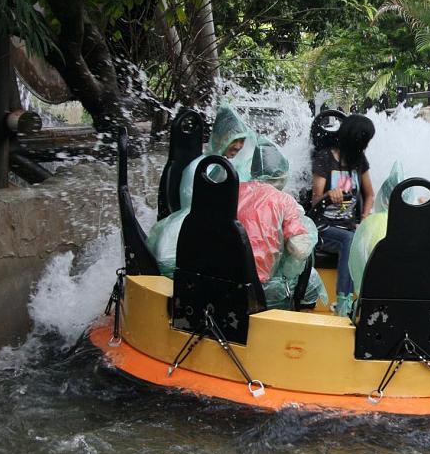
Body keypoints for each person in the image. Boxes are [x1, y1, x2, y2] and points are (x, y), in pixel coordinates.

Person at [147, 101, 257, 276]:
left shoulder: (231, 166)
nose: (238, 147)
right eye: (234, 141)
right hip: (195, 232)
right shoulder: (199, 169)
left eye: (242, 142)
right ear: (221, 138)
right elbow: (198, 208)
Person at [237, 138, 326, 309]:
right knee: (312, 281)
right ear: (281, 173)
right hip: (259, 287)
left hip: (225, 277)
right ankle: (297, 327)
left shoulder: (234, 190)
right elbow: (300, 250)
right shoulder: (284, 201)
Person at [310, 114, 376, 316]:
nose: (364, 147)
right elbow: (314, 202)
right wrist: (329, 195)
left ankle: (370, 301)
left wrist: (365, 218)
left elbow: (370, 194)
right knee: (350, 239)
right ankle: (343, 302)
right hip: (323, 226)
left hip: (348, 226)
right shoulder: (325, 158)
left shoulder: (359, 161)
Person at [348, 161, 404, 296]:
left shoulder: (369, 224)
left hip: (372, 297)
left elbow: (355, 264)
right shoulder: (417, 224)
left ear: (382, 197)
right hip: (407, 298)